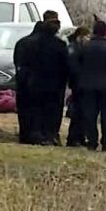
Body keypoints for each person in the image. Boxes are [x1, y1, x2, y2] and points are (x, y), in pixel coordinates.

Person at [74, 21, 106, 151]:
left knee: (90, 115)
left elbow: (75, 65)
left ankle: (92, 141)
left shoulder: (85, 47)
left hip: (88, 86)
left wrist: (80, 79)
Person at [29, 11, 70, 145]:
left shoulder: (33, 43)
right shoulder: (60, 45)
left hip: (37, 82)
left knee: (38, 109)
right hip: (56, 84)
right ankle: (51, 134)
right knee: (54, 111)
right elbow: (66, 65)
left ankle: (38, 134)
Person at [13, 21, 46, 144]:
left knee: (23, 110)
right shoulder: (41, 44)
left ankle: (24, 134)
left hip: (23, 82)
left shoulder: (22, 43)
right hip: (38, 82)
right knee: (37, 110)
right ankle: (36, 134)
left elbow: (17, 63)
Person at [65, 26, 91, 147]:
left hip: (79, 83)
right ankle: (74, 137)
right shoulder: (74, 49)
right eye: (86, 36)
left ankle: (79, 136)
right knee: (78, 112)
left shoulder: (76, 48)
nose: (88, 39)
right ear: (80, 36)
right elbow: (73, 67)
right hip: (79, 83)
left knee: (81, 111)